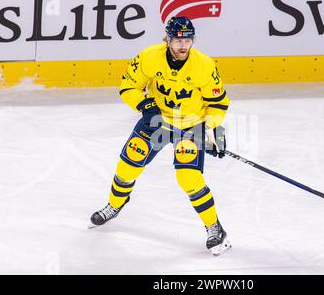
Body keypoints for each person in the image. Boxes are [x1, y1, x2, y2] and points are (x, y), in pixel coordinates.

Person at [90, 16, 231, 256]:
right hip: (157, 121)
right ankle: (115, 205)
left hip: (190, 125)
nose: (183, 45)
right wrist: (144, 104)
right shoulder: (149, 57)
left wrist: (214, 131)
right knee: (127, 167)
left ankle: (214, 227)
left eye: (187, 39)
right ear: (167, 39)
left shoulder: (204, 65)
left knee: (188, 178)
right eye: (177, 39)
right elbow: (128, 86)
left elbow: (218, 104)